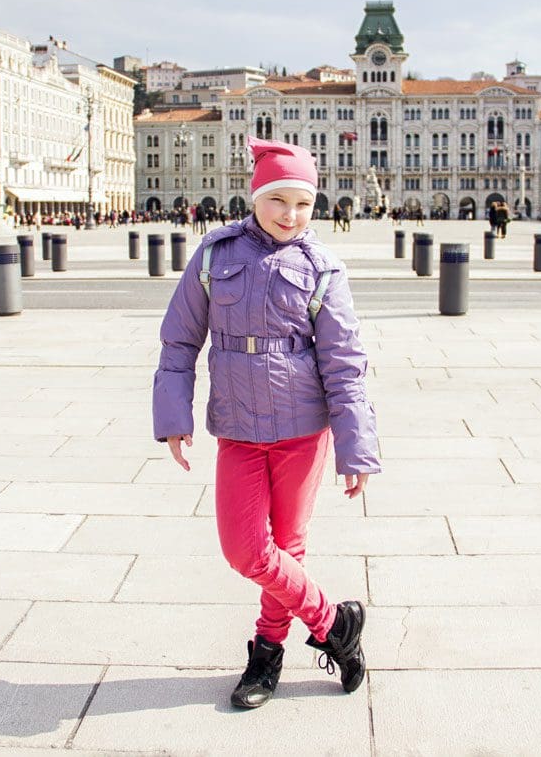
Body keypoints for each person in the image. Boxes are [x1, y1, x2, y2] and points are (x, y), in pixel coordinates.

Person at [153, 136, 379, 710]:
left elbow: (345, 363)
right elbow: (179, 341)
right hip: (238, 429)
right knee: (246, 550)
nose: (290, 214)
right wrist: (173, 416)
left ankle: (266, 654)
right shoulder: (214, 255)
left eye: (303, 203)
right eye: (278, 199)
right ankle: (334, 623)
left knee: (289, 547)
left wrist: (356, 448)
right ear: (255, 196)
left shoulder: (322, 266)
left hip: (304, 430)